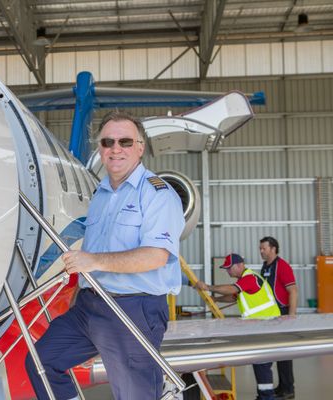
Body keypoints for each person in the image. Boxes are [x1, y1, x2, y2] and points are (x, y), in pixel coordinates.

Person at [24, 110, 185, 400]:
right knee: (42, 362)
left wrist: (94, 261)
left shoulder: (157, 194)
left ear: (140, 147)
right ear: (100, 148)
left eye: (125, 141)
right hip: (90, 305)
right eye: (108, 142)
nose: (115, 149)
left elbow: (156, 256)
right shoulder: (101, 194)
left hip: (134, 308)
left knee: (134, 395)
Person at [195, 253, 281, 400]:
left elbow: (232, 290)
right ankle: (264, 395)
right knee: (259, 363)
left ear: (240, 265)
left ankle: (267, 397)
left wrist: (208, 287)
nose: (228, 271)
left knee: (262, 364)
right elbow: (233, 296)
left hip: (267, 326)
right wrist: (216, 299)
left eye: (230, 268)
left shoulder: (250, 278)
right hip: (261, 327)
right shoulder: (244, 281)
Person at [259, 236, 297, 400]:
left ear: (273, 249)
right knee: (277, 353)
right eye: (260, 248)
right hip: (270, 315)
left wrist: (291, 315)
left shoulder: (282, 266)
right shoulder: (265, 267)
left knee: (284, 354)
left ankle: (288, 389)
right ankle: (282, 386)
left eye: (264, 248)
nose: (261, 251)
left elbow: (293, 291)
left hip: (282, 313)